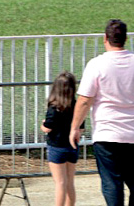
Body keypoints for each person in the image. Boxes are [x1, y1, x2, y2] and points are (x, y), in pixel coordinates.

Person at [69, 19, 134, 206]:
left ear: (105, 38)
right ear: (125, 38)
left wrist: (75, 127)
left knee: (112, 183)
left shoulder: (97, 64)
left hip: (107, 132)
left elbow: (85, 100)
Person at [41, 71, 81, 206]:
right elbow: (80, 127)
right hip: (72, 145)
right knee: (70, 182)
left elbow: (48, 127)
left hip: (56, 146)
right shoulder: (76, 105)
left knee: (60, 183)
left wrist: (42, 124)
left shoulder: (54, 107)